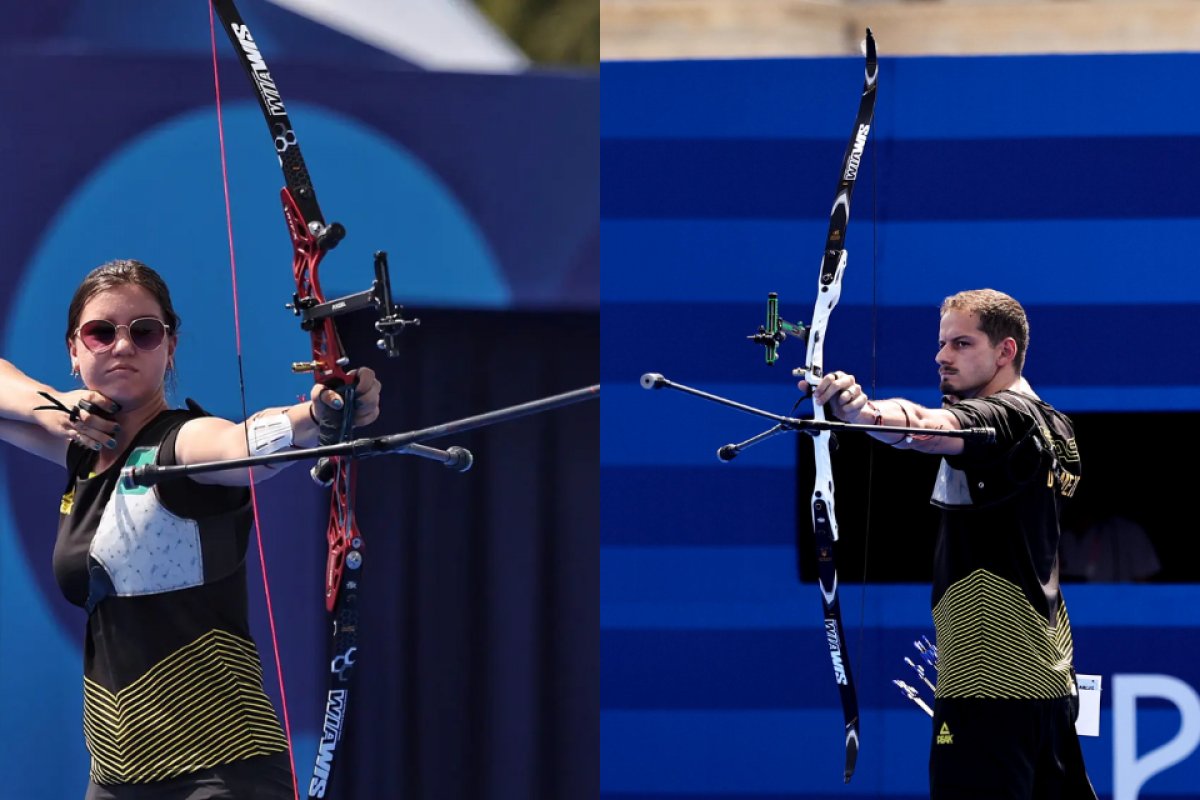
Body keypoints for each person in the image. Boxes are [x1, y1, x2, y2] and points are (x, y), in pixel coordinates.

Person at [0, 259, 381, 799]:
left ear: (170, 346)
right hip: (115, 775)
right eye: (101, 332)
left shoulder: (185, 442)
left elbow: (240, 447)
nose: (123, 346)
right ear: (74, 349)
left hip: (220, 771)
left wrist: (315, 416)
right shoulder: (83, 453)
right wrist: (49, 408)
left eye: (145, 332)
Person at [809, 289, 1095, 799]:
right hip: (1051, 680)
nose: (942, 356)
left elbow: (927, 426)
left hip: (989, 683)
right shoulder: (1059, 427)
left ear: (1005, 352)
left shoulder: (1006, 418)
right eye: (942, 343)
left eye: (962, 344)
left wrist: (863, 412)